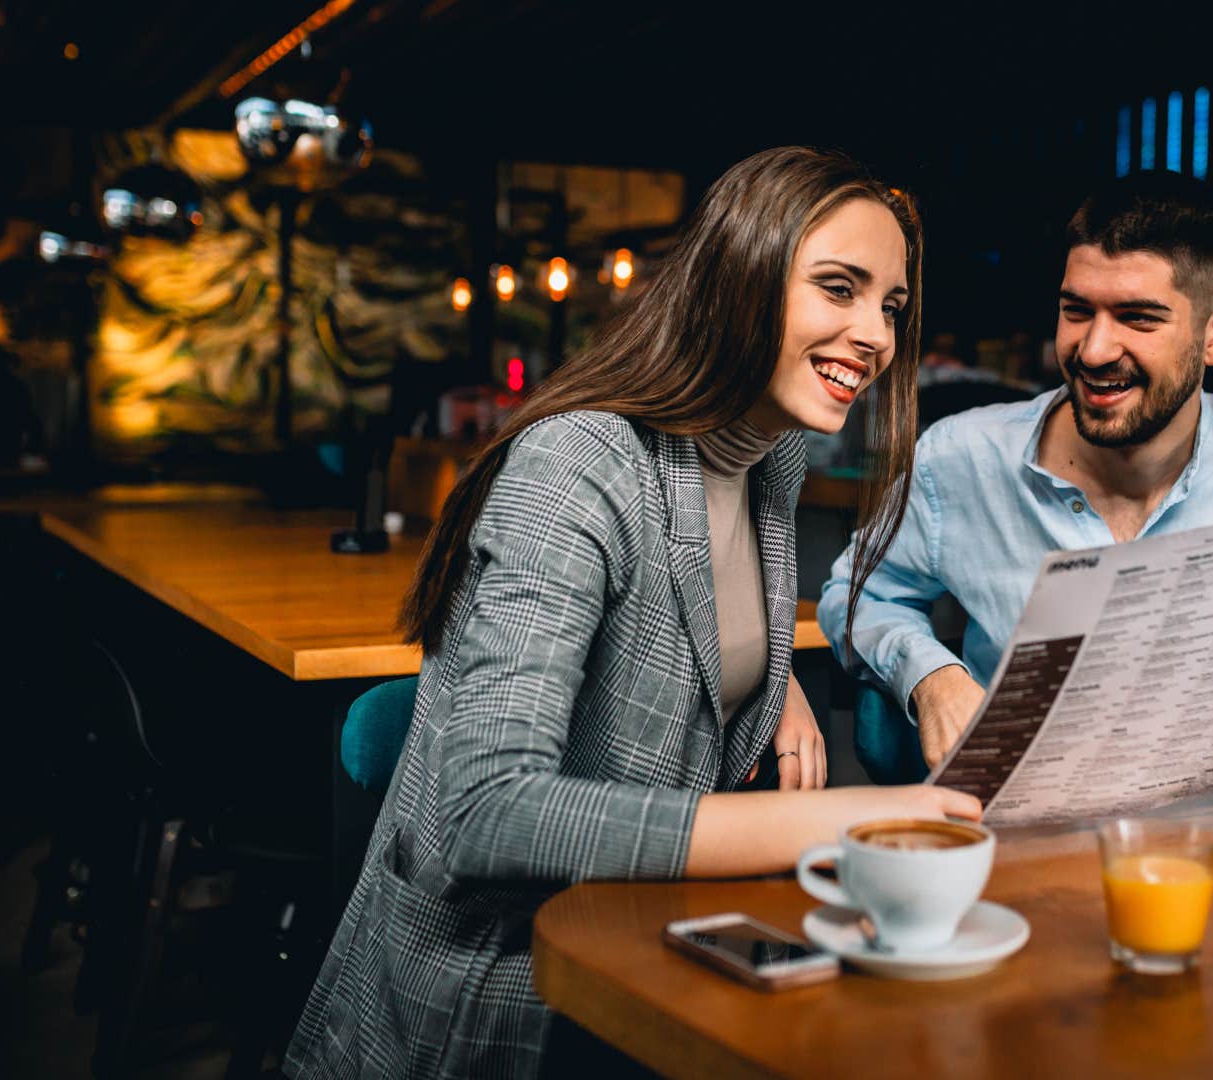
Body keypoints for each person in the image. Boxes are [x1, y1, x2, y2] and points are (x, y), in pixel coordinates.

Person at [286, 147, 980, 1080]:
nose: (875, 336)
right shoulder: (578, 465)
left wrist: (766, 682)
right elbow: (486, 812)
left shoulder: (766, 459)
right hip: (496, 998)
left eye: (889, 306)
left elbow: (687, 618)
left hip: (641, 946)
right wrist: (853, 823)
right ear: (740, 277)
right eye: (838, 288)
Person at [818, 170, 1213, 803]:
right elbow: (855, 599)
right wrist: (930, 674)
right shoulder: (960, 459)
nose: (1095, 349)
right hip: (1024, 845)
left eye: (1138, 317)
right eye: (1077, 311)